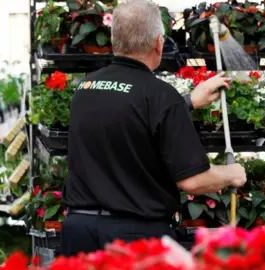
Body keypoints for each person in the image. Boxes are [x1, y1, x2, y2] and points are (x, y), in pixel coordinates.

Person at [60, 0, 247, 256]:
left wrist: (188, 102)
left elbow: (125, 115)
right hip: (134, 239)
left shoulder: (85, 88)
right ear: (159, 43)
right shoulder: (160, 96)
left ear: (115, 39)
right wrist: (232, 174)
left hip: (78, 234)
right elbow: (193, 181)